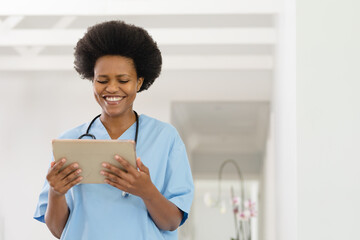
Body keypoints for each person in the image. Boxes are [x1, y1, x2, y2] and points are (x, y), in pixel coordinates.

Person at [34, 20, 194, 240]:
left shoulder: (165, 138)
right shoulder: (70, 141)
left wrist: (147, 191)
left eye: (123, 80)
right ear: (92, 81)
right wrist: (56, 192)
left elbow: (171, 222)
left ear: (139, 82)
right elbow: (59, 230)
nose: (111, 88)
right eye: (102, 80)